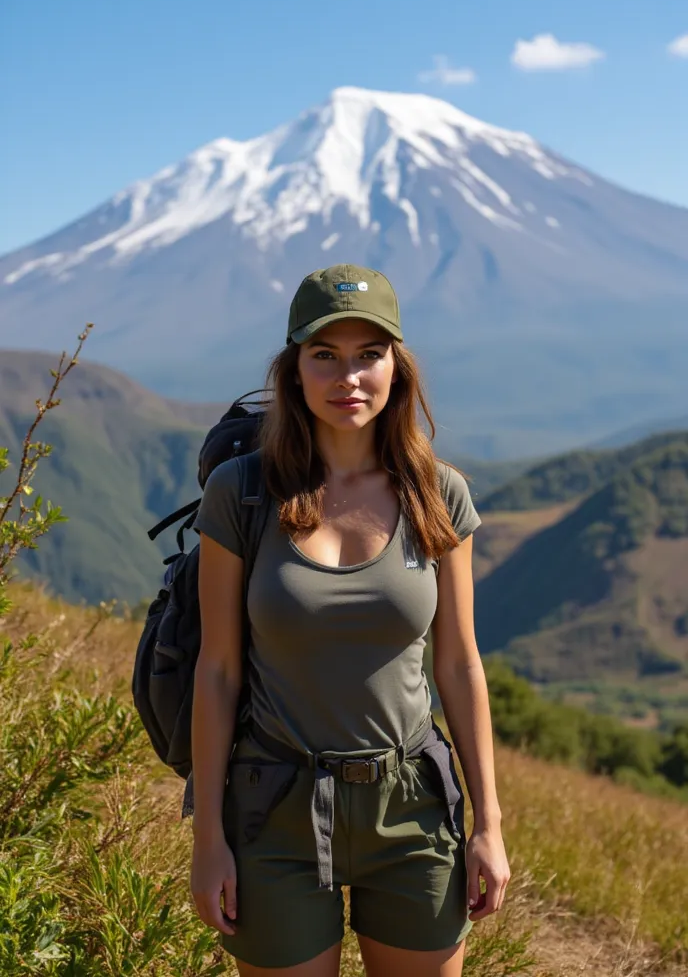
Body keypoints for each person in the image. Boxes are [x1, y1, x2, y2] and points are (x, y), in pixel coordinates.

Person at [190, 264, 510, 976]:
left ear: (398, 365)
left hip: (413, 809)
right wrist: (207, 835)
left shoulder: (438, 493)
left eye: (370, 353)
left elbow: (459, 663)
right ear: (293, 368)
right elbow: (216, 670)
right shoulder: (240, 494)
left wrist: (488, 824)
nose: (350, 377)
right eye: (325, 355)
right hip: (274, 806)